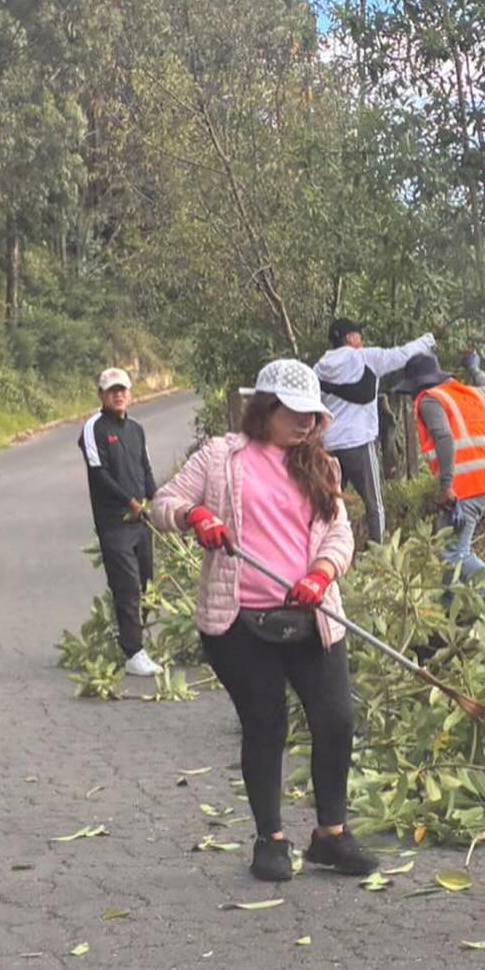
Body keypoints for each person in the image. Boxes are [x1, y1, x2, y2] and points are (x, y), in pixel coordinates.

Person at [149, 358, 377, 883]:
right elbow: (166, 502)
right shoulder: (221, 457)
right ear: (266, 408)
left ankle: (331, 836)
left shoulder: (323, 466)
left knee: (336, 717)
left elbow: (338, 535)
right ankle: (270, 838)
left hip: (311, 615)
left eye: (312, 415)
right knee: (266, 721)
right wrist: (196, 517)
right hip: (240, 623)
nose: (305, 423)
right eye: (294, 412)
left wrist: (321, 574)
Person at [398, 350, 485, 618]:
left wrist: (446, 486)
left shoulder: (430, 400)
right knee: (449, 547)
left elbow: (444, 438)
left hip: (463, 487)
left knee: (454, 554)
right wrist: (475, 368)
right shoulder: (469, 393)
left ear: (418, 384)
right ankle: (449, 609)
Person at [313, 318, 437, 544]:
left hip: (328, 445)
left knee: (326, 502)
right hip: (358, 443)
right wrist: (427, 340)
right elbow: (402, 354)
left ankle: (322, 546)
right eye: (358, 334)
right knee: (374, 504)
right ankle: (378, 555)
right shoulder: (365, 358)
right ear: (349, 338)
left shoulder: (319, 368)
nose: (361, 338)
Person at [79, 367, 160, 677]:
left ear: (130, 393)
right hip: (114, 523)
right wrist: (131, 502)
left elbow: (145, 469)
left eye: (123, 389)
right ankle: (133, 651)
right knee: (126, 585)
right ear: (101, 395)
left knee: (146, 585)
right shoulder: (93, 429)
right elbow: (99, 474)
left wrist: (159, 502)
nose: (118, 394)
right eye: (112, 390)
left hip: (141, 522)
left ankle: (131, 638)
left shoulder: (137, 430)